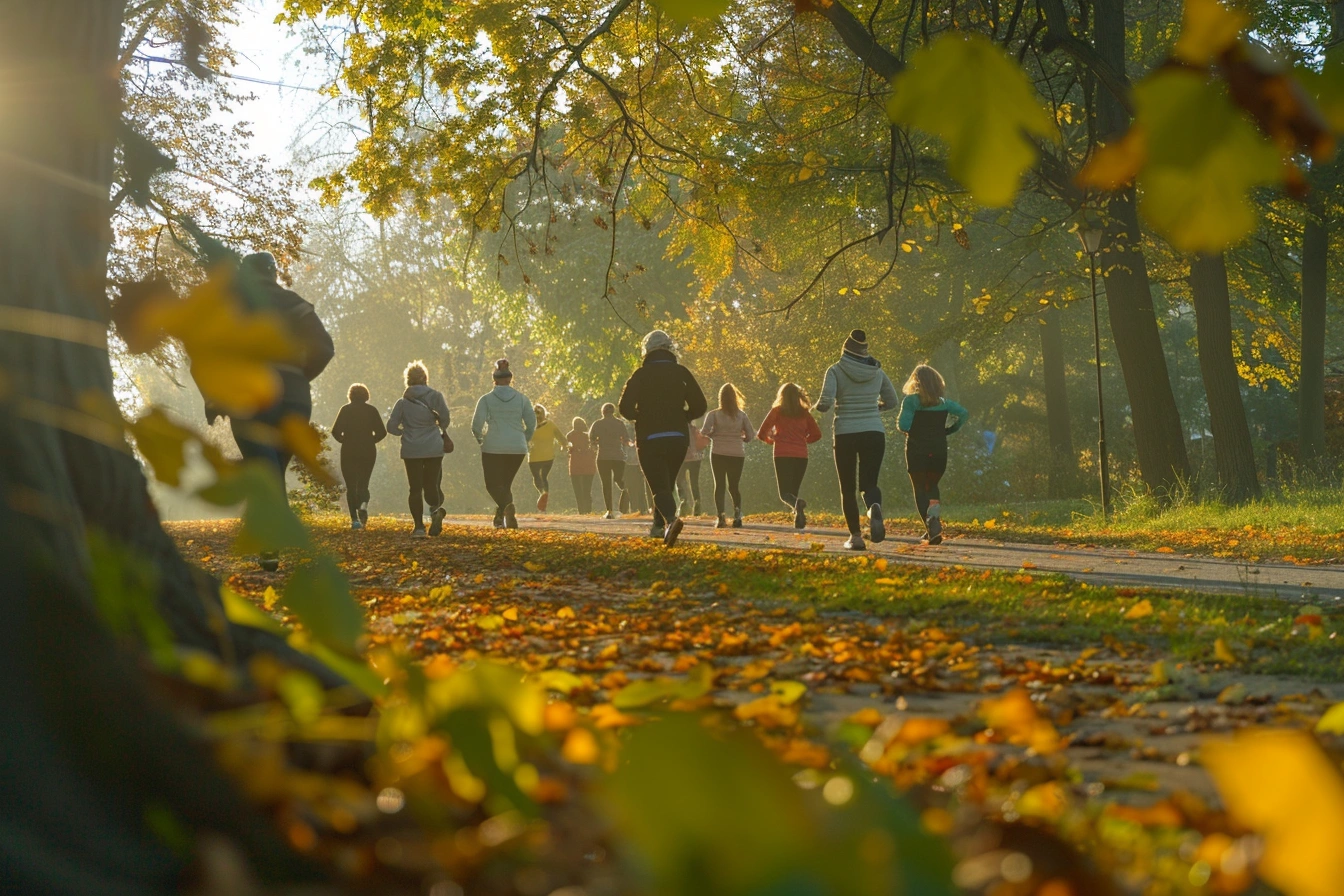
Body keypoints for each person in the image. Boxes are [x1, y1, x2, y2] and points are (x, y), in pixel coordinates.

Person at [208, 251, 334, 570]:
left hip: (252, 397)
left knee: (264, 470)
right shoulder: (295, 303)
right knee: (272, 469)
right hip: (295, 400)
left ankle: (271, 541)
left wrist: (214, 398)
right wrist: (299, 377)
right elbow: (324, 348)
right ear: (273, 274)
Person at [617, 330, 708, 546]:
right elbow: (700, 405)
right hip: (677, 437)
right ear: (670, 349)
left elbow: (624, 408)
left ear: (647, 351)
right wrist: (684, 416)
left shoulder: (640, 375)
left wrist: (639, 417)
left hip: (650, 437)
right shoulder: (681, 373)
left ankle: (671, 520)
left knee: (659, 486)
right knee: (666, 482)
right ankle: (657, 526)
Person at [815, 329, 899, 550]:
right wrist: (874, 408)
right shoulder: (877, 372)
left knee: (847, 488)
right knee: (869, 483)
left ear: (845, 350)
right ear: (864, 351)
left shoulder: (835, 370)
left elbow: (825, 402)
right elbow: (892, 401)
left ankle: (856, 537)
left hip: (845, 432)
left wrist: (816, 406)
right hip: (874, 431)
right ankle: (873, 508)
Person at [898, 364, 968, 545]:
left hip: (917, 449)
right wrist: (950, 429)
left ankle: (931, 528)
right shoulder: (945, 403)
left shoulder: (911, 401)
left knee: (920, 488)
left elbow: (903, 425)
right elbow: (964, 414)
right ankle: (933, 522)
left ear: (916, 382)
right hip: (938, 449)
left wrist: (913, 429)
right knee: (932, 486)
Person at [386, 361, 451, 538]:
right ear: (425, 378)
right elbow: (445, 419)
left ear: (408, 380)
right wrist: (436, 425)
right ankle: (435, 510)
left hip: (412, 448)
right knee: (431, 484)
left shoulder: (402, 403)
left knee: (415, 488)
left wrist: (403, 431)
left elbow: (391, 427)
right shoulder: (436, 396)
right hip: (433, 447)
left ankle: (419, 527)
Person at [472, 359, 537, 529]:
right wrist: (524, 439)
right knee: (505, 484)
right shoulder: (522, 399)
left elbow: (476, 426)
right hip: (517, 448)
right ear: (510, 379)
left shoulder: (486, 399)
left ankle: (508, 506)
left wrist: (481, 440)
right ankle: (501, 516)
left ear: (494, 379)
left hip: (493, 446)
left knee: (492, 485)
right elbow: (532, 424)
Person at [757, 383, 822, 530]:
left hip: (782, 454)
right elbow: (817, 434)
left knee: (784, 494)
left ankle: (798, 508)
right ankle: (798, 518)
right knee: (793, 491)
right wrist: (803, 441)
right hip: (801, 455)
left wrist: (771, 440)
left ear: (782, 396)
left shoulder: (777, 411)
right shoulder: (804, 413)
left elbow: (761, 433)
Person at [330, 383, 386, 530]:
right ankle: (363, 505)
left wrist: (344, 440)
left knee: (351, 486)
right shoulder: (372, 410)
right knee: (363, 483)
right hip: (368, 451)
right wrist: (371, 441)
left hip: (349, 450)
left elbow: (335, 431)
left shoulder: (345, 410)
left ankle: (354, 520)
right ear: (366, 395)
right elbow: (382, 432)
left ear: (350, 395)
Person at [701, 383, 755, 529]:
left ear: (721, 398)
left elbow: (704, 431)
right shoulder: (742, 415)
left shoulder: (713, 414)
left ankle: (721, 517)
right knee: (734, 486)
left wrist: (713, 434)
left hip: (718, 452)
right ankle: (737, 515)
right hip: (737, 453)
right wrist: (742, 438)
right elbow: (751, 435)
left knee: (719, 485)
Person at [589, 403, 632, 519]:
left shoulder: (597, 424)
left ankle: (609, 511)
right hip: (618, 457)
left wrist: (595, 444)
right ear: (613, 411)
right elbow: (626, 439)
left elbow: (591, 438)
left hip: (603, 457)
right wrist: (629, 445)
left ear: (603, 412)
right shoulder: (619, 423)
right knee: (619, 479)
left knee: (606, 483)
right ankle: (626, 491)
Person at [527, 404, 568, 512]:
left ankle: (542, 492)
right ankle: (545, 497)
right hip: (548, 457)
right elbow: (561, 438)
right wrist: (565, 446)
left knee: (536, 477)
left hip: (534, 457)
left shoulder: (530, 426)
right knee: (544, 476)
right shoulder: (551, 424)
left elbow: (524, 439)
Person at [676, 420, 710, 517]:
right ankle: (697, 503)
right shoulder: (694, 428)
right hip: (696, 459)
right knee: (694, 482)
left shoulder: (677, 428)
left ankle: (684, 502)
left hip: (681, 459)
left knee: (680, 481)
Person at [567, 416, 598, 514]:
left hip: (575, 465)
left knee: (577, 490)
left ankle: (581, 511)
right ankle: (588, 510)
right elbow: (594, 448)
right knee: (587, 490)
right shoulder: (588, 436)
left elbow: (569, 449)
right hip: (588, 465)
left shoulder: (570, 436)